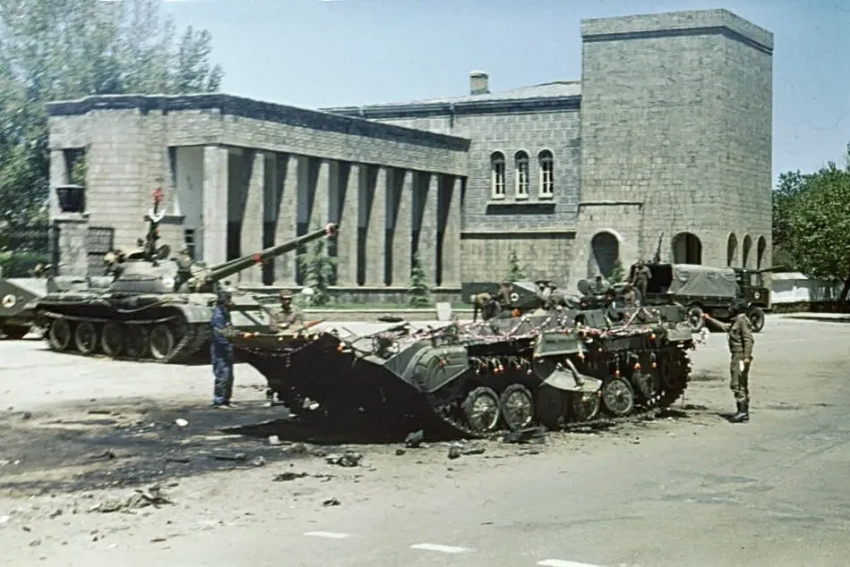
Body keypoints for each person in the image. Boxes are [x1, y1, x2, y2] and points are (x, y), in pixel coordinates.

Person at [703, 299, 754, 423]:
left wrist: (746, 357)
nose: (730, 309)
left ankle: (742, 412)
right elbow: (725, 327)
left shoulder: (742, 320)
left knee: (738, 383)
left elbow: (748, 340)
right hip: (737, 355)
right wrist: (709, 319)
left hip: (740, 356)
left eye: (732, 306)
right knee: (741, 382)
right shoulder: (737, 320)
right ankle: (743, 411)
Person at [210, 290, 236, 409]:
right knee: (222, 375)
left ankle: (226, 400)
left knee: (229, 376)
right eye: (229, 300)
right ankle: (219, 401)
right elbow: (219, 335)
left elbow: (229, 330)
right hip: (220, 350)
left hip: (227, 348)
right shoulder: (218, 316)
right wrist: (228, 345)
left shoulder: (225, 314)